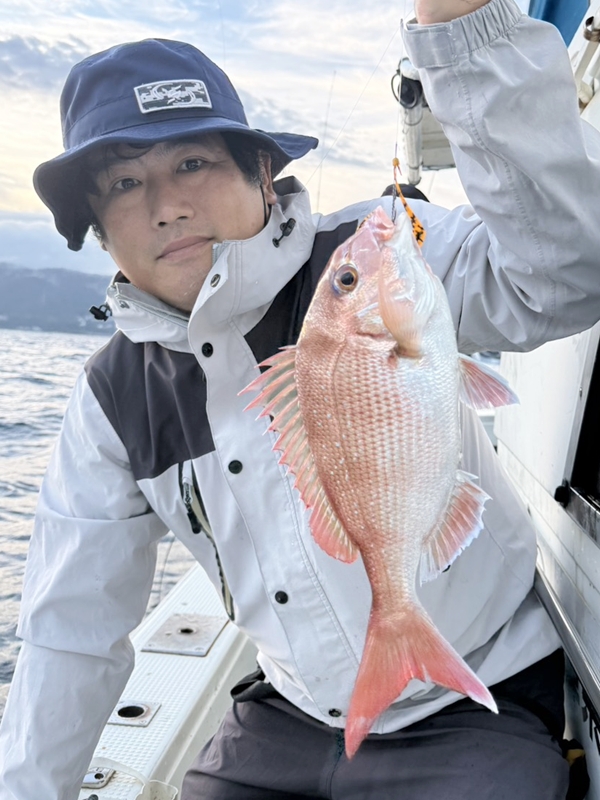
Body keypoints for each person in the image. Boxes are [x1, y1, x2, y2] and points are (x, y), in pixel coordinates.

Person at [0, 0, 599, 797]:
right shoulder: (112, 399)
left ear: (262, 172)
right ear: (99, 230)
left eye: (191, 163)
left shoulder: (375, 259)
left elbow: (564, 274)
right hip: (289, 713)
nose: (166, 205)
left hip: (473, 692)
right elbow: (70, 629)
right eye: (124, 183)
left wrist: (462, 32)